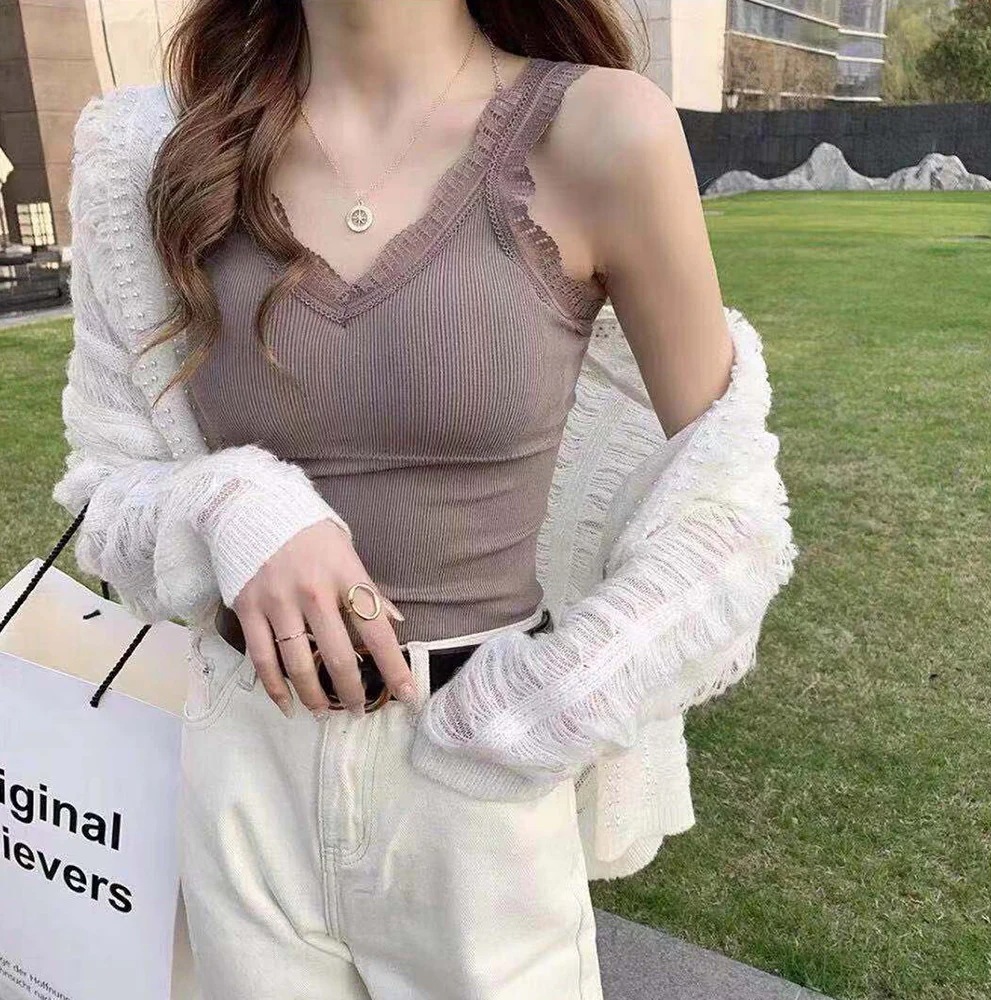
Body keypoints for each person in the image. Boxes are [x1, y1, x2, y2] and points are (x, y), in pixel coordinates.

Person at [52, 1, 799, 997]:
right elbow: (104, 489)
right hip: (244, 766)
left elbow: (733, 505)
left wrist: (553, 701)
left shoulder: (601, 130)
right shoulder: (154, 150)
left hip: (477, 783)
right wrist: (233, 507)